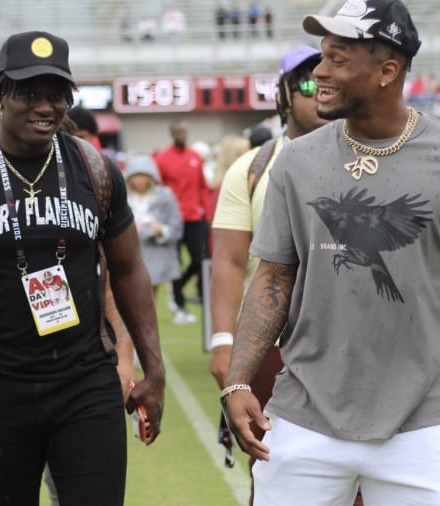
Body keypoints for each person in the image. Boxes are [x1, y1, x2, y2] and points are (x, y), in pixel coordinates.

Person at [222, 2, 440, 505]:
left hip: (422, 427)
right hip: (301, 419)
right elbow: (273, 277)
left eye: (338, 59)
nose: (319, 73)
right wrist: (238, 380)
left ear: (387, 71)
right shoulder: (296, 160)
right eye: (321, 57)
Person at [0, 30, 165, 506]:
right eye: (28, 93)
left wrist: (154, 368)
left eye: (57, 94)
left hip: (86, 383)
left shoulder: (97, 172)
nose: (45, 107)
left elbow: (128, 272)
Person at [211, 45, 337, 506]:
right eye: (306, 83)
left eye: (329, 79)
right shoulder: (251, 169)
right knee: (272, 467)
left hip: (349, 348)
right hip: (273, 347)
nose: (320, 90)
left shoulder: (369, 159)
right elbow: (228, 260)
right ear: (283, 94)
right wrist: (224, 342)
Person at [155, 119, 209, 324]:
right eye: (178, 131)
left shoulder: (195, 157)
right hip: (173, 220)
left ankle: (180, 288)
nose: (182, 135)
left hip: (195, 217)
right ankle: (179, 305)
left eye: (184, 131)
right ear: (172, 133)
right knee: (175, 264)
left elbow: (202, 186)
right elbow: (159, 190)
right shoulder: (162, 159)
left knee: (199, 259)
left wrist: (204, 211)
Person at [125, 155, 184, 296]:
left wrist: (161, 230)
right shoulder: (124, 198)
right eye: (136, 176)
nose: (139, 181)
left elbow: (176, 226)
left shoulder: (164, 196)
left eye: (143, 176)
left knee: (148, 295)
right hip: (129, 253)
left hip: (156, 254)